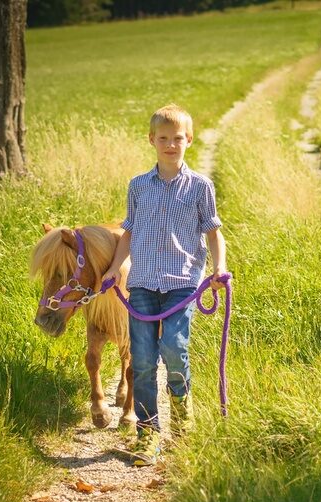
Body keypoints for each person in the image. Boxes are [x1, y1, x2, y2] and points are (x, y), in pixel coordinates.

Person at [102, 103, 227, 465]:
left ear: (189, 140)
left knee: (174, 349)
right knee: (141, 360)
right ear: (152, 141)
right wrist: (114, 268)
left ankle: (182, 418)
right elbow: (128, 233)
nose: (170, 145)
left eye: (177, 138)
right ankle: (148, 431)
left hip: (182, 283)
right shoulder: (139, 186)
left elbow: (215, 234)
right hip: (141, 283)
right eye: (163, 139)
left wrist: (218, 268)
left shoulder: (201, 186)